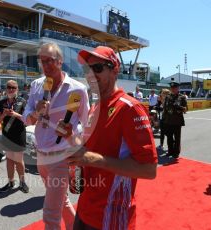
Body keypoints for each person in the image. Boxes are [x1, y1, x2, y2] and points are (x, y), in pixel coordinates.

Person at [57, 46, 157, 230]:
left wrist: (94, 160)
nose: (90, 75)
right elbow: (88, 150)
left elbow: (149, 170)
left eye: (97, 68)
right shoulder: (95, 107)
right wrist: (71, 137)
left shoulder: (129, 108)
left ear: (115, 70)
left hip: (111, 216)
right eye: (87, 69)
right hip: (85, 207)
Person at [23, 43, 90, 230]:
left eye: (50, 61)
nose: (45, 65)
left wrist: (71, 132)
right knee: (63, 202)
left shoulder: (78, 89)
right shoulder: (37, 86)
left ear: (60, 62)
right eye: (41, 61)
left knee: (51, 213)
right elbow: (26, 119)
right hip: (41, 155)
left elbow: (85, 124)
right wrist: (36, 112)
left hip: (62, 156)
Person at [0, 80, 29, 193]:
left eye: (13, 87)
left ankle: (22, 182)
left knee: (19, 160)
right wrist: (4, 114)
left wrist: (15, 114)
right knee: (9, 160)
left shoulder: (22, 101)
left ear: (17, 89)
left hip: (19, 133)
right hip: (7, 134)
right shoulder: (1, 103)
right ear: (6, 89)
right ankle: (11, 182)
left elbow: (28, 119)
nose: (11, 89)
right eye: (9, 87)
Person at [162, 82, 187, 158]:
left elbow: (186, 109)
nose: (173, 89)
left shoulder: (182, 97)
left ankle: (176, 153)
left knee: (177, 138)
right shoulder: (168, 97)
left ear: (178, 88)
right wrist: (164, 119)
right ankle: (170, 151)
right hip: (168, 121)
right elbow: (165, 109)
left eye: (174, 88)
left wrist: (180, 107)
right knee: (169, 137)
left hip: (177, 121)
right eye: (172, 88)